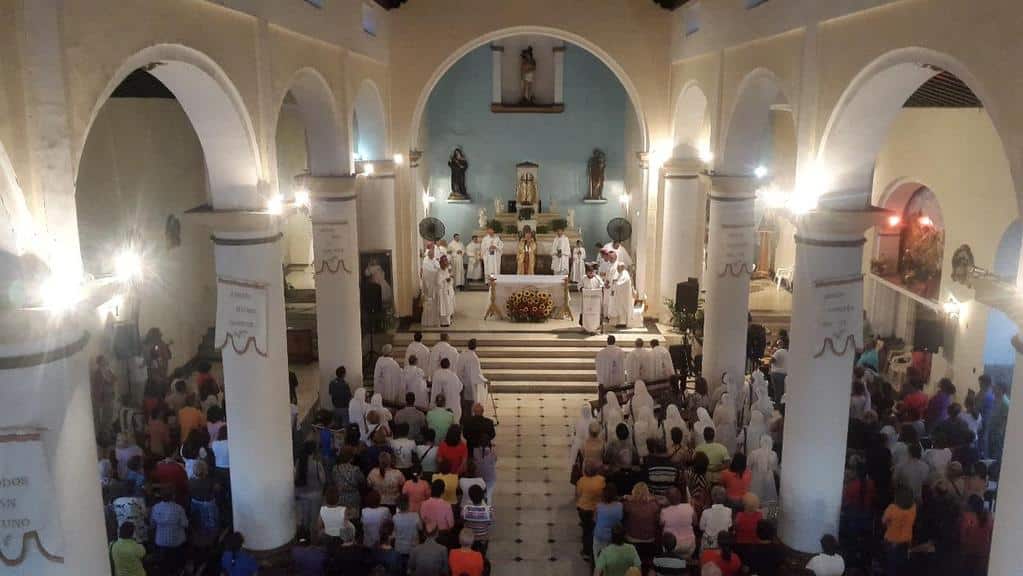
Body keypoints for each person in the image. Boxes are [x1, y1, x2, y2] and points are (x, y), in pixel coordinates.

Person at [150, 490, 189, 571]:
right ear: (173, 496)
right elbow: (185, 524)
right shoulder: (179, 508)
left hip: (161, 542)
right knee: (175, 565)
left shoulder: (156, 507)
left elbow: (152, 524)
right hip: (176, 542)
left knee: (163, 565)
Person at [883, 486, 917, 575]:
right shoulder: (913, 508)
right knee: (902, 567)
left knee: (891, 566)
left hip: (892, 541)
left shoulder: (892, 508)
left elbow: (884, 521)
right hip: (906, 541)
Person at [623, 482, 661, 560]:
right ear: (647, 492)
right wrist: (653, 498)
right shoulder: (653, 505)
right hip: (649, 539)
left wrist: (626, 497)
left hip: (632, 539)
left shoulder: (628, 505)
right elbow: (658, 504)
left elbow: (622, 504)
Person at [577, 460, 606, 560]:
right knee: (594, 529)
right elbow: (603, 494)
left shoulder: (581, 481)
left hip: (584, 509)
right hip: (596, 510)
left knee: (586, 530)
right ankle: (594, 550)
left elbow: (579, 494)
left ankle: (586, 551)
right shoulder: (601, 480)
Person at [960, 494, 993, 576]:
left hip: (969, 554)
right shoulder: (989, 517)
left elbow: (962, 536)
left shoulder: (967, 517)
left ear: (970, 505)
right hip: (983, 556)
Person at [659, 487, 696, 557]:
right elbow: (695, 523)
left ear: (667, 499)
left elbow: (660, 524)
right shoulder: (689, 507)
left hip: (670, 547)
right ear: (680, 497)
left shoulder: (664, 511)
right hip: (689, 546)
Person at [455, 339, 487, 414]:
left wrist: (461, 381)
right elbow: (477, 374)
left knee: (464, 403)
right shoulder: (474, 358)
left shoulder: (462, 355)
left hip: (462, 382)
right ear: (476, 347)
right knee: (471, 401)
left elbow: (458, 370)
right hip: (471, 384)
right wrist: (484, 380)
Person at [594, 485, 625, 560]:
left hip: (600, 536)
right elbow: (621, 518)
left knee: (598, 556)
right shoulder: (620, 505)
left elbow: (595, 520)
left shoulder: (599, 506)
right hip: (615, 536)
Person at [462, 484, 494, 555]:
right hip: (483, 536)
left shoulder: (466, 508)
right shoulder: (488, 509)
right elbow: (490, 522)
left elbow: (463, 519)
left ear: (470, 497)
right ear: (482, 496)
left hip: (469, 537)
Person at [430, 357, 464, 422]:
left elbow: (435, 390)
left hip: (442, 406)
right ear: (449, 365)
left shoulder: (437, 374)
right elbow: (460, 387)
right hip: (454, 406)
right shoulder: (454, 375)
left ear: (440, 365)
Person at [393, 494, 422, 559]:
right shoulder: (415, 516)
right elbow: (421, 528)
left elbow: (393, 533)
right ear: (408, 503)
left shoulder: (395, 517)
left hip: (399, 548)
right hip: (413, 548)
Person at [436, 255, 456, 326]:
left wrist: (450, 279)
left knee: (448, 306)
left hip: (447, 290)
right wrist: (445, 280)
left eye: (446, 261)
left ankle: (448, 321)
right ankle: (443, 322)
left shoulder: (446, 270)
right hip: (442, 292)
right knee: (443, 307)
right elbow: (438, 282)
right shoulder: (438, 271)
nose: (445, 263)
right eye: (444, 261)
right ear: (441, 263)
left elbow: (449, 279)